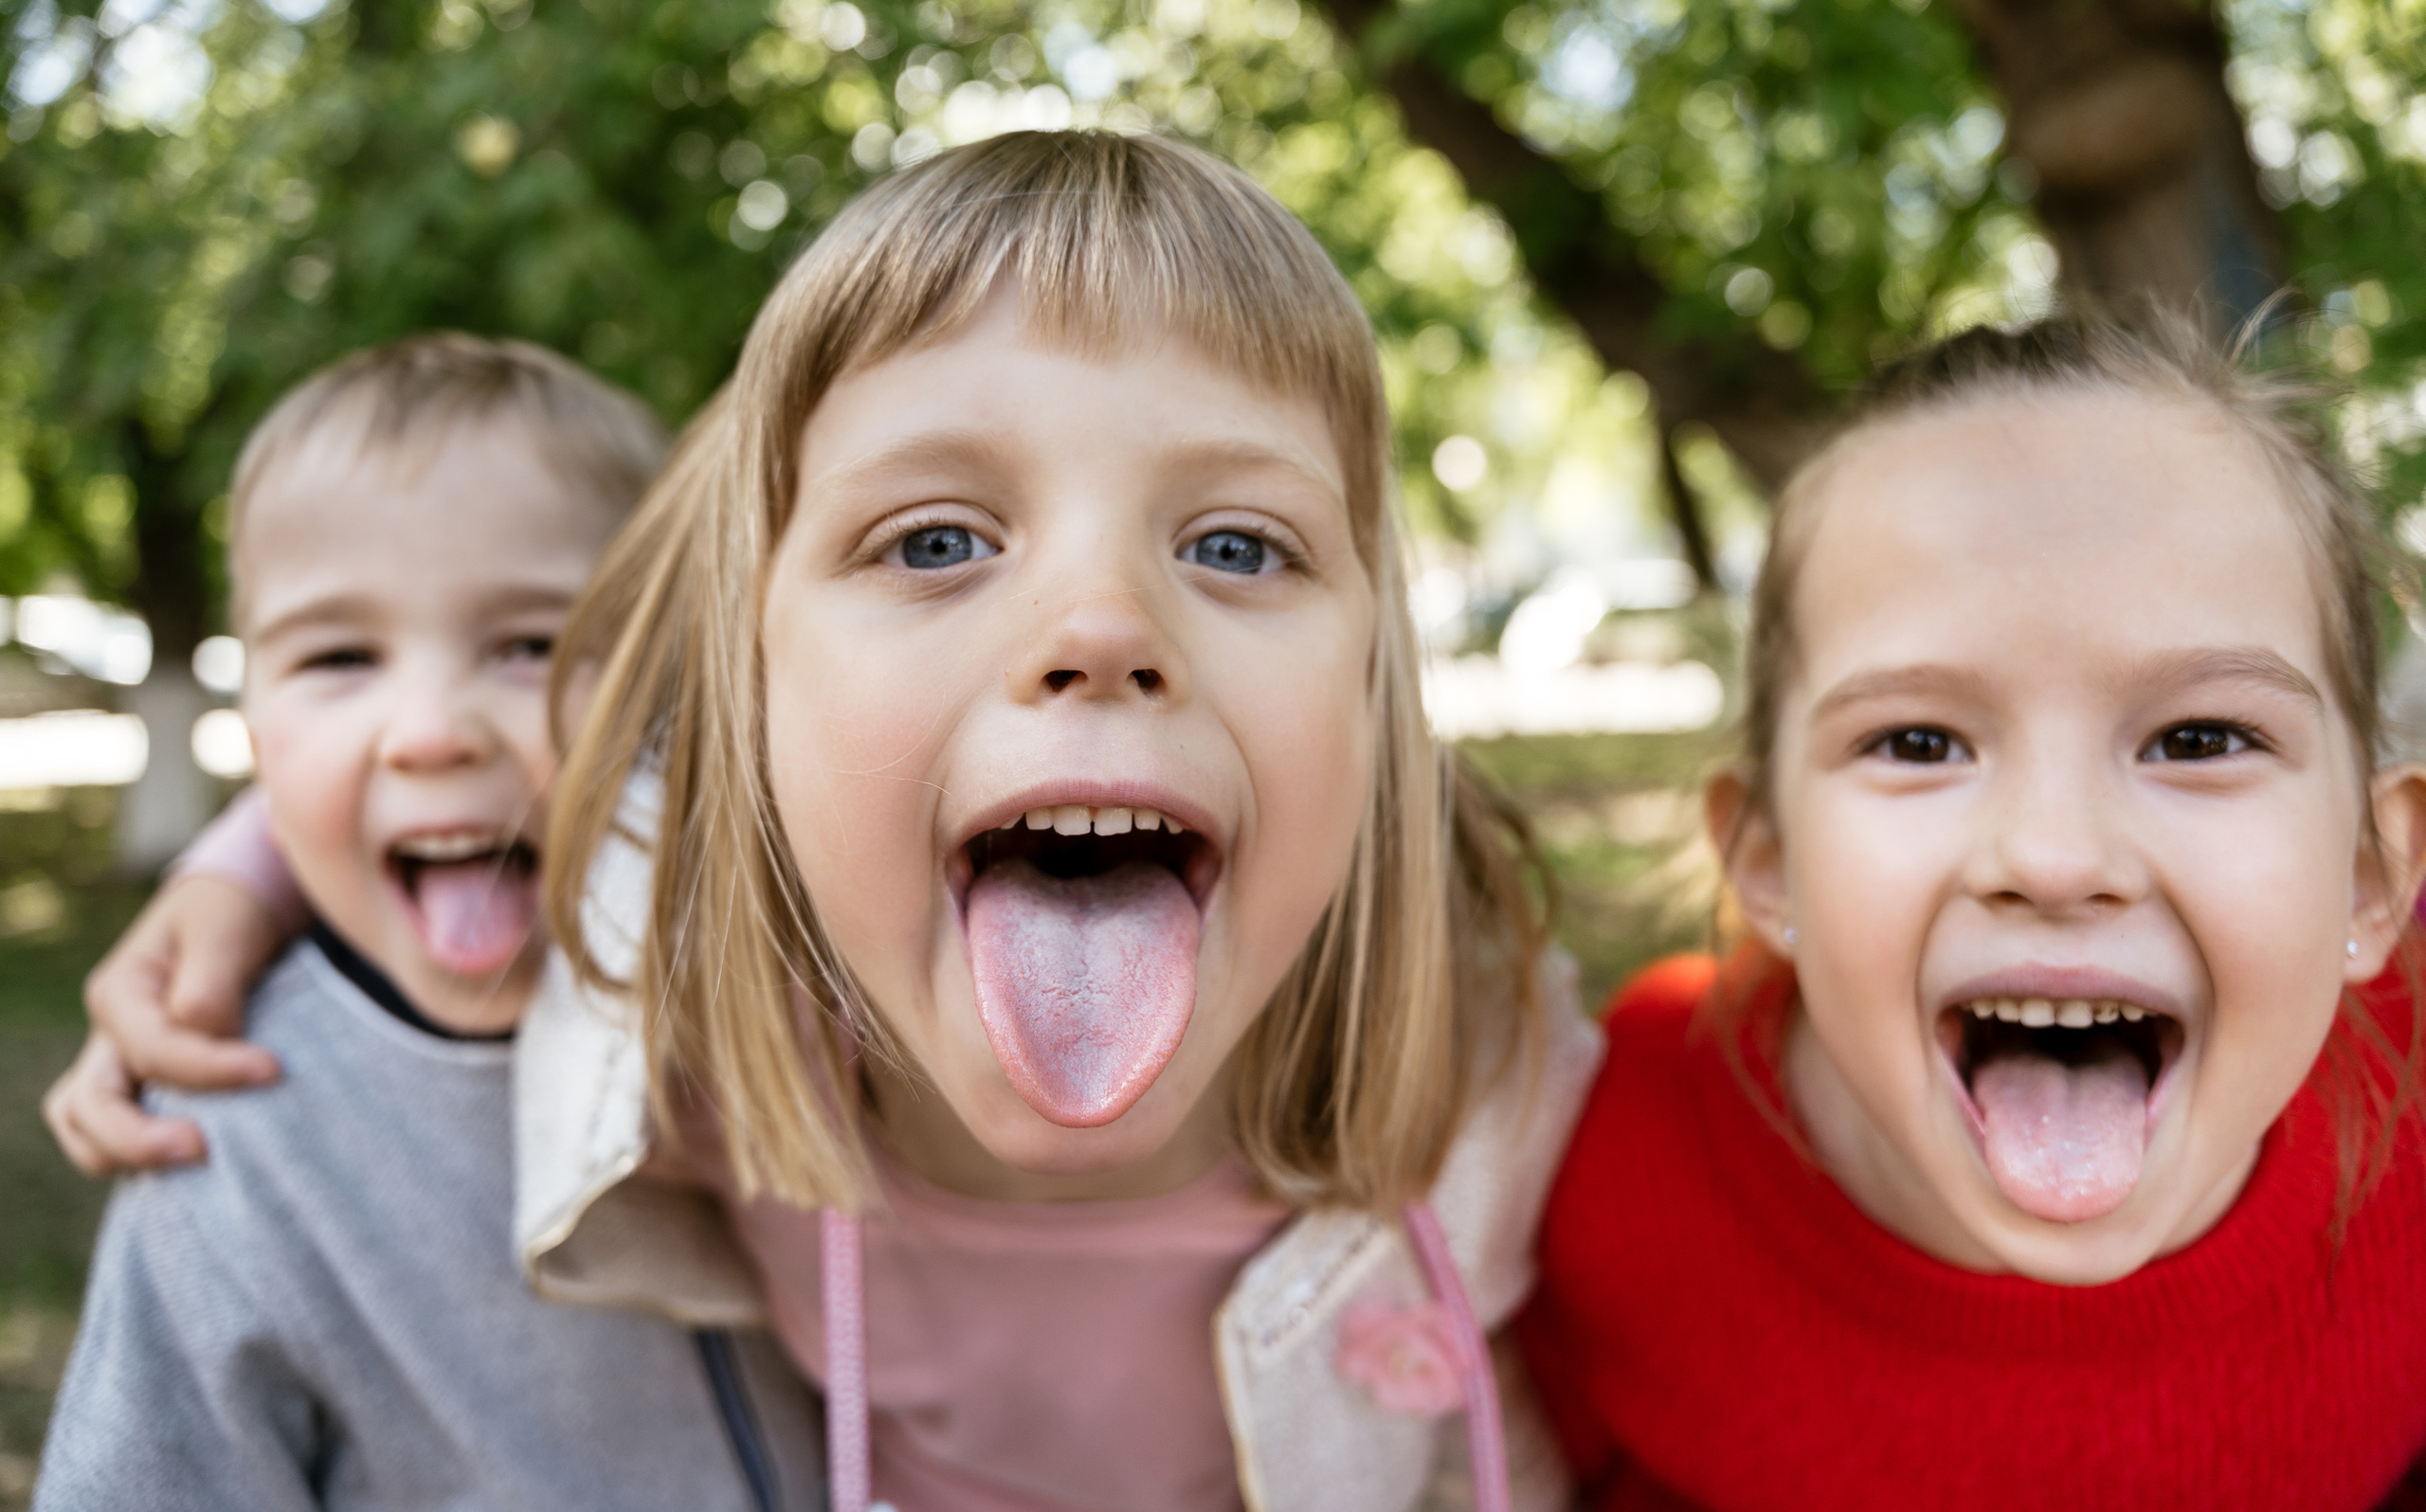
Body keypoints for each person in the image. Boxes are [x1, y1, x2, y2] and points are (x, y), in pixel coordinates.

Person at [45, 133, 1604, 1512]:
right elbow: (498, 745)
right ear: (744, 680)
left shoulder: (1489, 1077)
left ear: (1375, 680)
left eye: (1240, 545)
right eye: (934, 538)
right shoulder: (681, 1020)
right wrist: (240, 870)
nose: (1102, 623)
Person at [1518, 315, 2426, 1510]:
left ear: (2369, 873)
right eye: (1918, 742)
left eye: (2199, 739)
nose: (2054, 858)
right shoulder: (1615, 1154)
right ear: (1767, 860)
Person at [35, 336, 824, 1512]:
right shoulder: (231, 1147)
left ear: (669, 683)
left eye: (532, 647)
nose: (432, 733)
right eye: (340, 657)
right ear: (253, 728)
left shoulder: (772, 988)